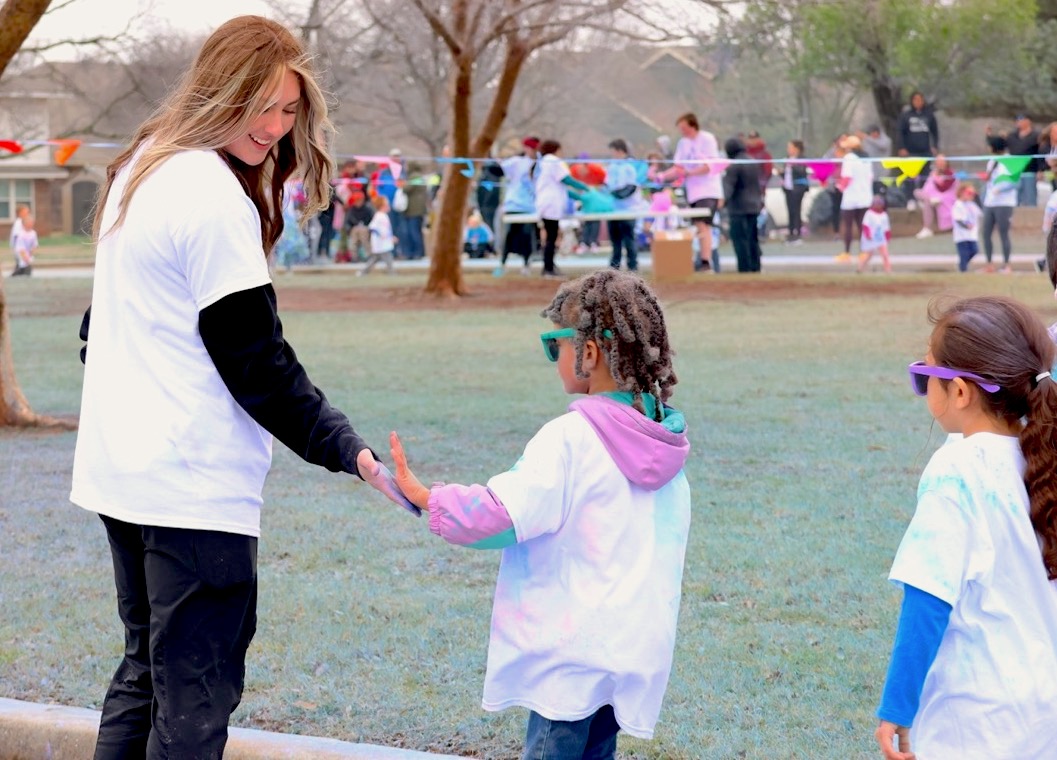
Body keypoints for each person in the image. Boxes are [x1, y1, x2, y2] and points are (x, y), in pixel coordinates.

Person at [71, 17, 410, 759]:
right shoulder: (210, 195)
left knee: (147, 676)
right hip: (190, 491)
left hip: (123, 477)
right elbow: (258, 366)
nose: (275, 127)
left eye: (289, 111)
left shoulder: (144, 168)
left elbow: (99, 332)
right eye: (260, 105)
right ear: (220, 89)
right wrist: (350, 452)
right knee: (192, 703)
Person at [388, 269, 691, 760]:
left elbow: (503, 515)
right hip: (630, 649)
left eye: (556, 345)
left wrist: (427, 496)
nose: (555, 358)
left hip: (570, 656)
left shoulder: (570, 439)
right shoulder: (667, 445)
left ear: (588, 352)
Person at [874, 295, 1057, 760]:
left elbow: (928, 597)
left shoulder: (956, 470)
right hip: (1045, 714)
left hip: (975, 719)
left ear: (959, 392)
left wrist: (898, 704)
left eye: (925, 376)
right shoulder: (1045, 457)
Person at [662, 112, 724, 272]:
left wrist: (690, 173)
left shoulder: (707, 139)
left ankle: (706, 261)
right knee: (698, 224)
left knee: (704, 224)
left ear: (692, 125)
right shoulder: (683, 143)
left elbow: (710, 165)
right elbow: (678, 167)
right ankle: (702, 259)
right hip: (693, 191)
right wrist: (661, 176)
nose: (682, 131)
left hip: (709, 189)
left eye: (684, 127)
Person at [533, 139, 589, 278]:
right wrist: (585, 188)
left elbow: (562, 188)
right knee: (551, 237)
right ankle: (548, 268)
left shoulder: (543, 163)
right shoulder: (552, 161)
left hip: (546, 202)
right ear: (556, 149)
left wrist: (579, 196)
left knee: (551, 236)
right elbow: (566, 179)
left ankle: (550, 265)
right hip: (550, 204)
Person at [496, 136, 540, 276]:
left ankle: (526, 265)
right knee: (509, 236)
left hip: (530, 207)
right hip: (513, 205)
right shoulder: (517, 162)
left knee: (527, 236)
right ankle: (502, 264)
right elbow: (498, 169)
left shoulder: (542, 164)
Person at [722, 136, 763, 273]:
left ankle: (744, 268)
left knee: (740, 239)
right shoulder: (753, 162)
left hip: (738, 208)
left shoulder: (734, 165)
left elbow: (728, 186)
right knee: (753, 239)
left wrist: (722, 201)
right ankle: (755, 267)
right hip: (754, 206)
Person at [982, 135, 1018, 274]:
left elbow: (1015, 182)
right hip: (990, 202)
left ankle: (1007, 264)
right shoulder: (991, 161)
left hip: (1004, 202)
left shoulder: (1010, 161)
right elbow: (989, 180)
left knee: (1003, 233)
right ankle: (989, 264)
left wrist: (1000, 189)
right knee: (986, 233)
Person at [604, 138, 640, 272]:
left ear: (620, 151)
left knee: (629, 239)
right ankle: (614, 268)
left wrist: (617, 194)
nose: (612, 155)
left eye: (613, 151)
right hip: (613, 209)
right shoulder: (612, 167)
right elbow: (607, 184)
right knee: (615, 241)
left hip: (629, 209)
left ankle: (633, 266)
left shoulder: (630, 166)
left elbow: (632, 187)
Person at [836, 135, 873, 262]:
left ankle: (847, 252)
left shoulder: (849, 158)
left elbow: (847, 177)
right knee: (862, 225)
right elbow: (870, 177)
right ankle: (864, 252)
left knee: (848, 225)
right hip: (865, 195)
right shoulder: (867, 159)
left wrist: (840, 187)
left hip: (851, 196)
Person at [912, 154, 957, 238]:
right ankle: (926, 200)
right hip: (931, 196)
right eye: (938, 162)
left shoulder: (950, 173)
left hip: (945, 196)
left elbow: (943, 188)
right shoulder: (933, 172)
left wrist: (936, 178)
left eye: (941, 162)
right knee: (917, 192)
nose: (940, 164)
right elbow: (928, 186)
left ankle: (927, 228)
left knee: (927, 203)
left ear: (946, 163)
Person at [1004, 114, 1041, 207]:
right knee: (1014, 199)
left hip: (1030, 171)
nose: (1018, 122)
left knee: (1030, 198)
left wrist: (1040, 170)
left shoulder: (1036, 136)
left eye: (1021, 120)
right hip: (1015, 172)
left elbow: (1041, 153)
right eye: (1017, 120)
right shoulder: (1011, 136)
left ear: (1028, 121)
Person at [359, 193, 396, 275]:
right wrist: (380, 235)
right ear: (382, 206)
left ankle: (364, 272)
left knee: (375, 259)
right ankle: (391, 272)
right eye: (387, 204)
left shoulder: (384, 216)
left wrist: (391, 237)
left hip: (384, 242)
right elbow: (372, 227)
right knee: (387, 258)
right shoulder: (379, 216)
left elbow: (387, 229)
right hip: (380, 242)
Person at [781, 139, 809, 243]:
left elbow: (802, 172)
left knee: (796, 210)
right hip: (788, 187)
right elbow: (786, 173)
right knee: (790, 211)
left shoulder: (802, 159)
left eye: (790, 147)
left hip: (798, 187)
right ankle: (791, 232)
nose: (788, 150)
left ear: (796, 149)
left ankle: (798, 233)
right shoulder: (787, 159)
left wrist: (793, 165)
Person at [951, 182, 983, 273]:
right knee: (964, 253)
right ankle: (963, 269)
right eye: (968, 193)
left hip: (972, 235)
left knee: (974, 250)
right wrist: (965, 225)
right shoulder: (957, 205)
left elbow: (981, 211)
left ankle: (962, 264)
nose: (970, 196)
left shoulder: (972, 205)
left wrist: (977, 197)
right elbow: (957, 219)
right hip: (961, 235)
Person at [401, 162, 429, 260]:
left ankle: (415, 252)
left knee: (413, 232)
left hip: (413, 210)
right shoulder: (421, 177)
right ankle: (420, 252)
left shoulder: (414, 177)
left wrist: (403, 184)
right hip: (420, 209)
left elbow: (406, 189)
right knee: (417, 231)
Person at [857, 194, 891, 273]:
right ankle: (860, 268)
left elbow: (886, 228)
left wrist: (887, 237)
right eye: (876, 203)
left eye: (880, 203)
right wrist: (868, 235)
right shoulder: (869, 213)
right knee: (868, 255)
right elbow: (865, 225)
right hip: (870, 238)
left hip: (880, 238)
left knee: (885, 254)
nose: (878, 205)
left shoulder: (884, 215)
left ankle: (888, 270)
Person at [10, 211, 38, 277]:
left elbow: (34, 244)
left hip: (28, 254)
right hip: (20, 254)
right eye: (29, 223)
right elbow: (20, 248)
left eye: (32, 223)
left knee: (24, 269)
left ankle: (18, 274)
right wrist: (25, 257)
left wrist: (31, 253)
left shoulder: (33, 233)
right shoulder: (21, 234)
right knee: (24, 267)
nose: (31, 224)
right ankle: (15, 277)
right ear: (24, 224)